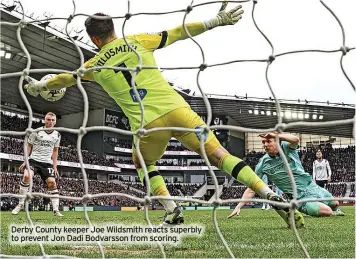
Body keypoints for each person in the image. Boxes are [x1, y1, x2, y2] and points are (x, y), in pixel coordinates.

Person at [24, 8, 303, 227]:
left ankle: (172, 210)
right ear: (113, 29)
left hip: (147, 125)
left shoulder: (93, 65)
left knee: (141, 161)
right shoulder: (138, 41)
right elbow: (180, 31)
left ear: (95, 40)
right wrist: (216, 21)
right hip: (179, 111)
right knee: (218, 154)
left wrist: (39, 86)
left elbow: (65, 79)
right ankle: (267, 193)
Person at [228, 133, 344, 218]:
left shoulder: (287, 148)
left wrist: (277, 135)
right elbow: (252, 188)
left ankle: (333, 208)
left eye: (269, 141)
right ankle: (302, 207)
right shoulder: (263, 164)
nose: (265, 145)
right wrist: (238, 206)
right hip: (298, 198)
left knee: (335, 203)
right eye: (263, 142)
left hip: (311, 187)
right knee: (327, 211)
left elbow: (295, 139)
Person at [12, 112, 63, 217]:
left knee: (52, 183)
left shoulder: (57, 135)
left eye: (53, 120)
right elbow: (29, 146)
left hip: (47, 163)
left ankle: (56, 210)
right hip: (34, 160)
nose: (50, 122)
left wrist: (55, 166)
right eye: (48, 120)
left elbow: (55, 151)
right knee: (26, 176)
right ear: (45, 120)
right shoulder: (36, 132)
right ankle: (20, 204)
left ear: (55, 121)